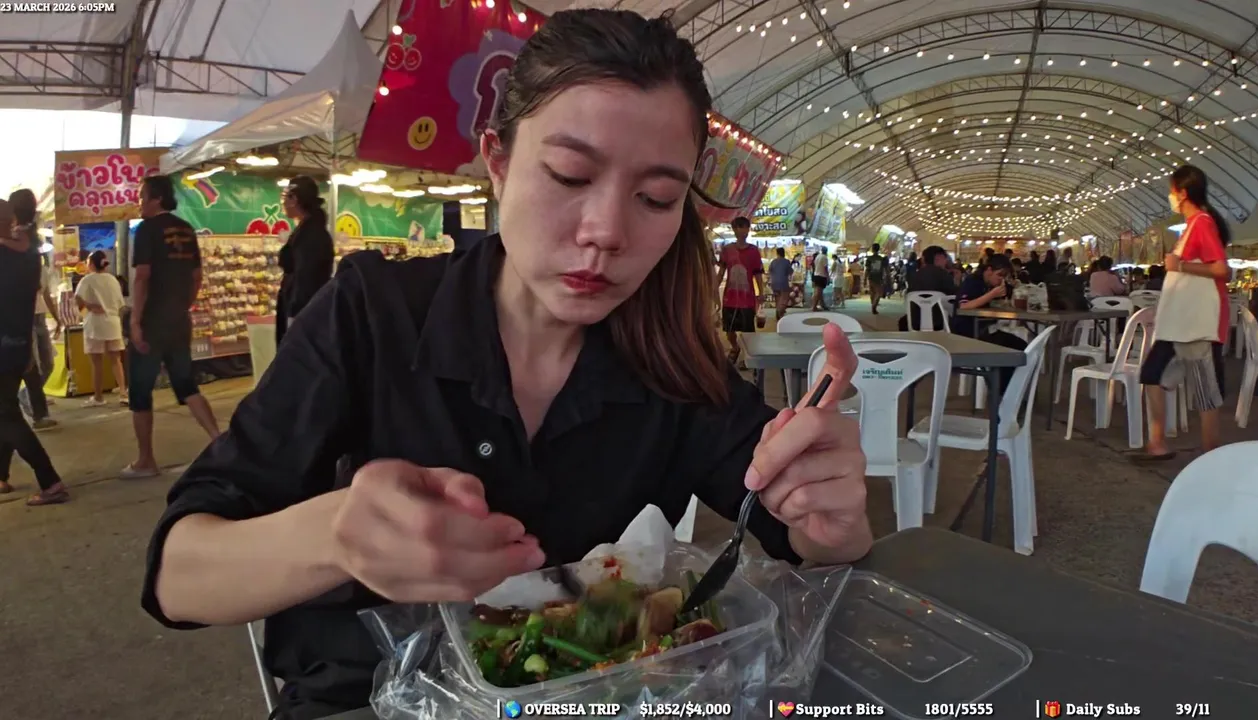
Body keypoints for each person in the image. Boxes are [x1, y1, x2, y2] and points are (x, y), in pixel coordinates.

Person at [139, 11, 873, 719]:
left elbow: (802, 539)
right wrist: (336, 535)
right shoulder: (373, 314)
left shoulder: (669, 359)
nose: (606, 232)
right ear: (497, 161)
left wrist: (829, 515)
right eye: (569, 176)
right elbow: (178, 578)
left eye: (655, 198)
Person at [123, 175, 220, 479]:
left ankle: (145, 461)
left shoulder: (147, 229)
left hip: (152, 321)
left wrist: (135, 321)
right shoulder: (187, 229)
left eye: (142, 196)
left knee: (140, 392)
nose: (139, 202)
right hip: (178, 320)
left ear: (156, 199)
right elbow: (196, 277)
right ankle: (220, 443)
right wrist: (183, 306)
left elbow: (142, 276)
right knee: (186, 385)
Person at [1136, 165, 1231, 462]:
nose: (1170, 197)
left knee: (1205, 391)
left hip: (1199, 322)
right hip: (1178, 322)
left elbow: (1222, 269)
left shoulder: (1202, 223)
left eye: (1172, 191)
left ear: (1183, 193)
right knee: (1152, 374)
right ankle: (1157, 443)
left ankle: (1210, 454)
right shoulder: (1192, 225)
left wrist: (1180, 266)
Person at [0, 199, 68, 505]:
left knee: (6, 414)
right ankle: (1, 475)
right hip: (18, 343)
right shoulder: (29, 254)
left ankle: (50, 481)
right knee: (6, 408)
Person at [10, 188, 60, 429]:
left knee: (46, 363)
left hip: (36, 312)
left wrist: (57, 316)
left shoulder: (31, 240)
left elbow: (43, 287)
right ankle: (38, 413)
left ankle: (27, 401)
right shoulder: (14, 240)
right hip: (20, 313)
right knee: (30, 364)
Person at [277, 176, 336, 346]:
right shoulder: (308, 230)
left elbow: (307, 279)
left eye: (284, 197)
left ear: (294, 199)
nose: (283, 202)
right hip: (305, 311)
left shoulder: (311, 235)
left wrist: (295, 317)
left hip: (304, 315)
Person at [954, 254, 1025, 388]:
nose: (1001, 279)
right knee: (1006, 349)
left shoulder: (989, 285)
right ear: (989, 270)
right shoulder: (973, 281)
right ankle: (1001, 391)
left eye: (1004, 276)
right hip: (968, 333)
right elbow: (963, 306)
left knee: (1021, 346)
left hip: (984, 330)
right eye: (999, 275)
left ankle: (1014, 389)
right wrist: (992, 295)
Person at [75, 250, 129, 407]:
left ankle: (98, 397)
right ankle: (123, 393)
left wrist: (89, 306)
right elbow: (120, 304)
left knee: (97, 362)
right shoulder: (113, 280)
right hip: (113, 322)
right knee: (116, 360)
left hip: (95, 324)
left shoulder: (87, 279)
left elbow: (77, 299)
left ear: (91, 264)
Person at [716, 216, 765, 366]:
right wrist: (712, 289)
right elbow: (721, 272)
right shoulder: (727, 250)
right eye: (740, 227)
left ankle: (746, 356)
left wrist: (761, 293)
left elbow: (758, 274)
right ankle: (735, 348)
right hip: (729, 298)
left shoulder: (754, 251)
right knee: (729, 330)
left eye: (746, 227)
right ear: (734, 229)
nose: (744, 230)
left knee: (748, 331)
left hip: (747, 299)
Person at [900, 245, 958, 331]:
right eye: (945, 258)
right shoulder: (945, 275)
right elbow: (954, 299)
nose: (946, 261)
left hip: (915, 323)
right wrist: (957, 282)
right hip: (941, 323)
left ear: (924, 259)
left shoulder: (915, 276)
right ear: (938, 257)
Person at [767, 246, 792, 319]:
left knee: (777, 298)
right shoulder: (786, 261)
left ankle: (778, 310)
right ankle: (780, 311)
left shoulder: (773, 261)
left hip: (774, 283)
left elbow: (769, 271)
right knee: (784, 298)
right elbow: (790, 272)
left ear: (777, 253)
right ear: (784, 253)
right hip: (783, 283)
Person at [863, 243, 886, 313]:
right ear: (878, 249)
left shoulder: (869, 259)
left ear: (872, 249)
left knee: (872, 292)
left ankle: (873, 304)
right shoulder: (881, 259)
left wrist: (865, 279)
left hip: (871, 277)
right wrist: (885, 278)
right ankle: (874, 305)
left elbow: (867, 270)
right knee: (878, 293)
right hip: (879, 278)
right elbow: (884, 269)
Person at [810, 245, 830, 310]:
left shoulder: (818, 256)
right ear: (826, 251)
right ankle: (814, 306)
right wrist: (828, 277)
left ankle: (822, 305)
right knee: (818, 292)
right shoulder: (824, 257)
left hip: (816, 275)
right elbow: (825, 268)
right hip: (821, 276)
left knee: (819, 292)